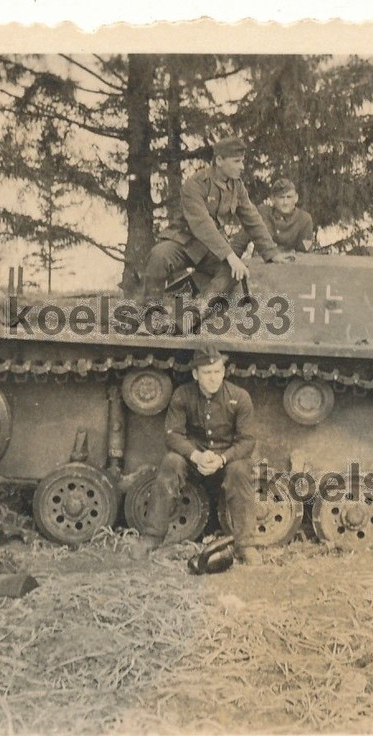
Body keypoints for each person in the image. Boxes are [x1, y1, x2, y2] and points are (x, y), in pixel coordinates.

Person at [142, 345, 261, 564]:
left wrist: (223, 458)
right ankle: (152, 536)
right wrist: (196, 456)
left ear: (224, 372)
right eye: (207, 373)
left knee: (241, 468)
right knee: (171, 461)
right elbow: (173, 435)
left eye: (217, 371)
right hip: (194, 462)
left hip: (225, 461)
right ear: (196, 374)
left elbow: (247, 441)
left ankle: (246, 544)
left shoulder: (239, 397)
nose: (213, 378)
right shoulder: (183, 395)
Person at [139, 137, 292, 302]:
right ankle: (150, 309)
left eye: (242, 161)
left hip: (210, 249)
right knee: (159, 256)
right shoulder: (196, 184)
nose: (242, 167)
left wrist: (271, 253)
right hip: (183, 242)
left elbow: (252, 219)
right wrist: (231, 255)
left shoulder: (237, 187)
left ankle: (199, 310)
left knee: (233, 272)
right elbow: (202, 224)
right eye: (236, 161)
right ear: (219, 160)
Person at [232, 178, 315, 256]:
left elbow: (304, 253)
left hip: (290, 266)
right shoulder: (262, 213)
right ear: (273, 199)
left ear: (296, 198)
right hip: (262, 264)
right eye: (281, 197)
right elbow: (239, 242)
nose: (285, 202)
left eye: (289, 197)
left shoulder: (304, 219)